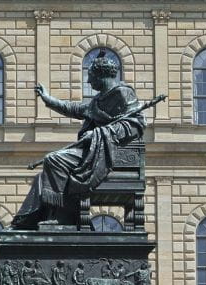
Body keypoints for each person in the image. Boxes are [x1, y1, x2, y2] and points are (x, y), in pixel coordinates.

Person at [12, 52, 146, 230]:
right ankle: (31, 219)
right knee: (43, 175)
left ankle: (62, 217)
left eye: (90, 77)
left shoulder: (122, 93)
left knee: (54, 159)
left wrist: (101, 132)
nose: (89, 82)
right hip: (93, 150)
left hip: (106, 153)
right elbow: (74, 109)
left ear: (100, 75)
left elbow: (136, 124)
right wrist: (48, 100)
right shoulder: (98, 100)